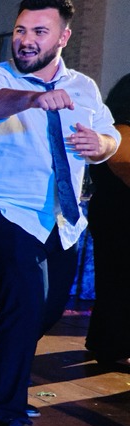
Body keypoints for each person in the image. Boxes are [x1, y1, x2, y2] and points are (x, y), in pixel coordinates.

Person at [0, 0, 118, 426]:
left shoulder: (85, 87)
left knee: (46, 311)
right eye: (20, 30)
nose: (26, 40)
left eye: (39, 32)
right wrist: (35, 98)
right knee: (26, 299)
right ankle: (4, 420)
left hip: (60, 219)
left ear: (63, 37)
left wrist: (102, 146)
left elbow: (110, 135)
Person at [84, 73, 130, 367]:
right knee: (119, 281)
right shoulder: (121, 129)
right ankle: (113, 346)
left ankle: (105, 341)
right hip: (120, 213)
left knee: (114, 280)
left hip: (112, 211)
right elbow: (125, 167)